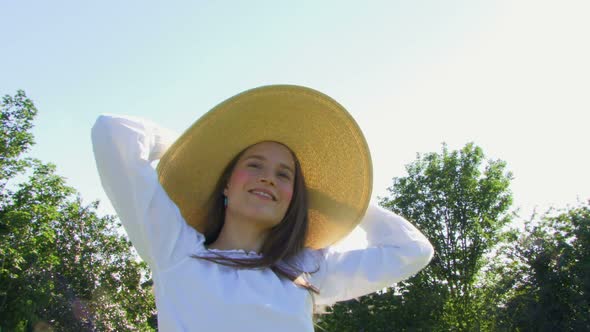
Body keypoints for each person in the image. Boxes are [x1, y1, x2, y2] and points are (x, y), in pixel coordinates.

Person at [91, 85, 434, 331]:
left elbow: (411, 251)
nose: (269, 178)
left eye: (284, 175)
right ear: (226, 183)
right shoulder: (174, 249)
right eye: (254, 165)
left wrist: (339, 203)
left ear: (295, 198)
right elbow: (113, 133)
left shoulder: (307, 271)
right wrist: (188, 152)